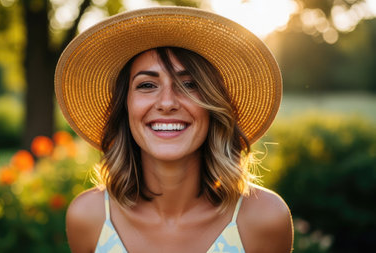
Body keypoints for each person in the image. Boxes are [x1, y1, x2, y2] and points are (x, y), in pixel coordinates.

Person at [55, 6, 293, 253]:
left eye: (189, 84)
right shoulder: (88, 217)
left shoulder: (264, 218)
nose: (167, 103)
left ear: (213, 106)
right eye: (147, 85)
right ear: (124, 107)